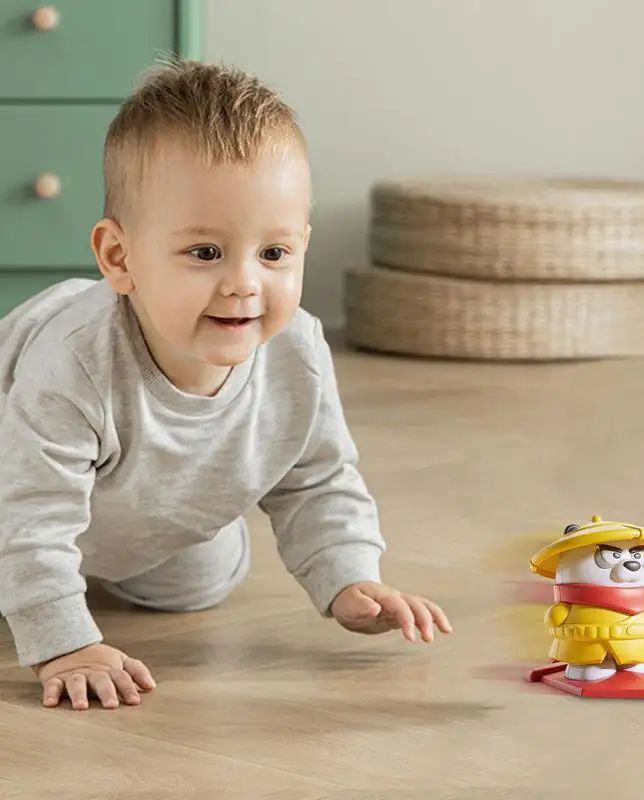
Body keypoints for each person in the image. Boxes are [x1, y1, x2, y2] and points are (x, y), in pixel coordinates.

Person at [0, 59, 451, 711]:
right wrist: (63, 642)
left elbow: (317, 479)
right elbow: (30, 512)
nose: (245, 283)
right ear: (119, 259)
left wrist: (349, 577)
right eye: (206, 253)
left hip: (146, 512)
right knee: (21, 559)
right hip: (9, 491)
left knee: (202, 579)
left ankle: (146, 536)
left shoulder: (298, 350)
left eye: (274, 254)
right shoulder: (72, 363)